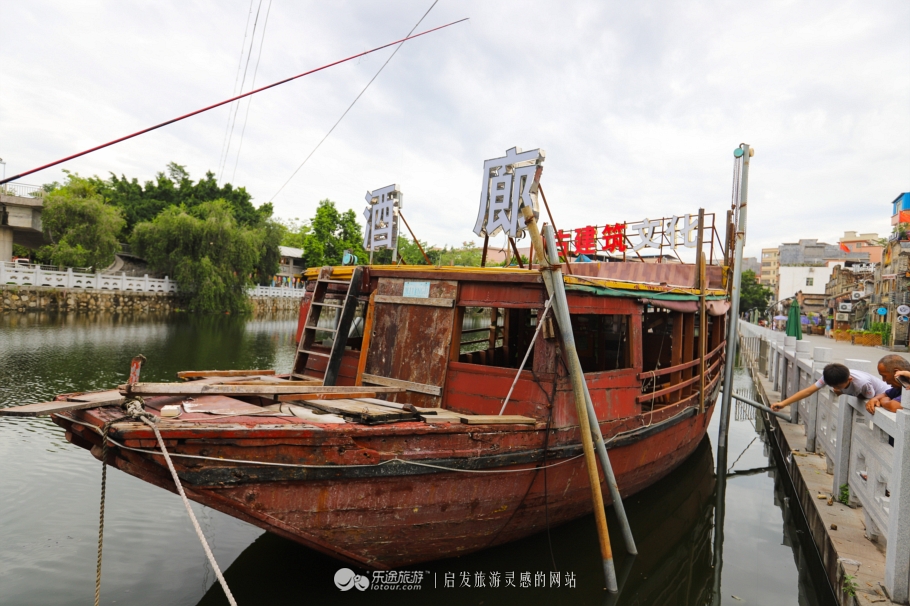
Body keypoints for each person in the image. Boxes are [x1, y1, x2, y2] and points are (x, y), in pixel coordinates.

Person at [771, 363, 889, 412]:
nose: (834, 388)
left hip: (885, 394)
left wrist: (842, 393)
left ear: (849, 379)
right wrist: (783, 404)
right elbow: (808, 391)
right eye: (831, 386)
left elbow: (869, 398)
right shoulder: (828, 377)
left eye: (838, 386)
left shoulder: (862, 383)